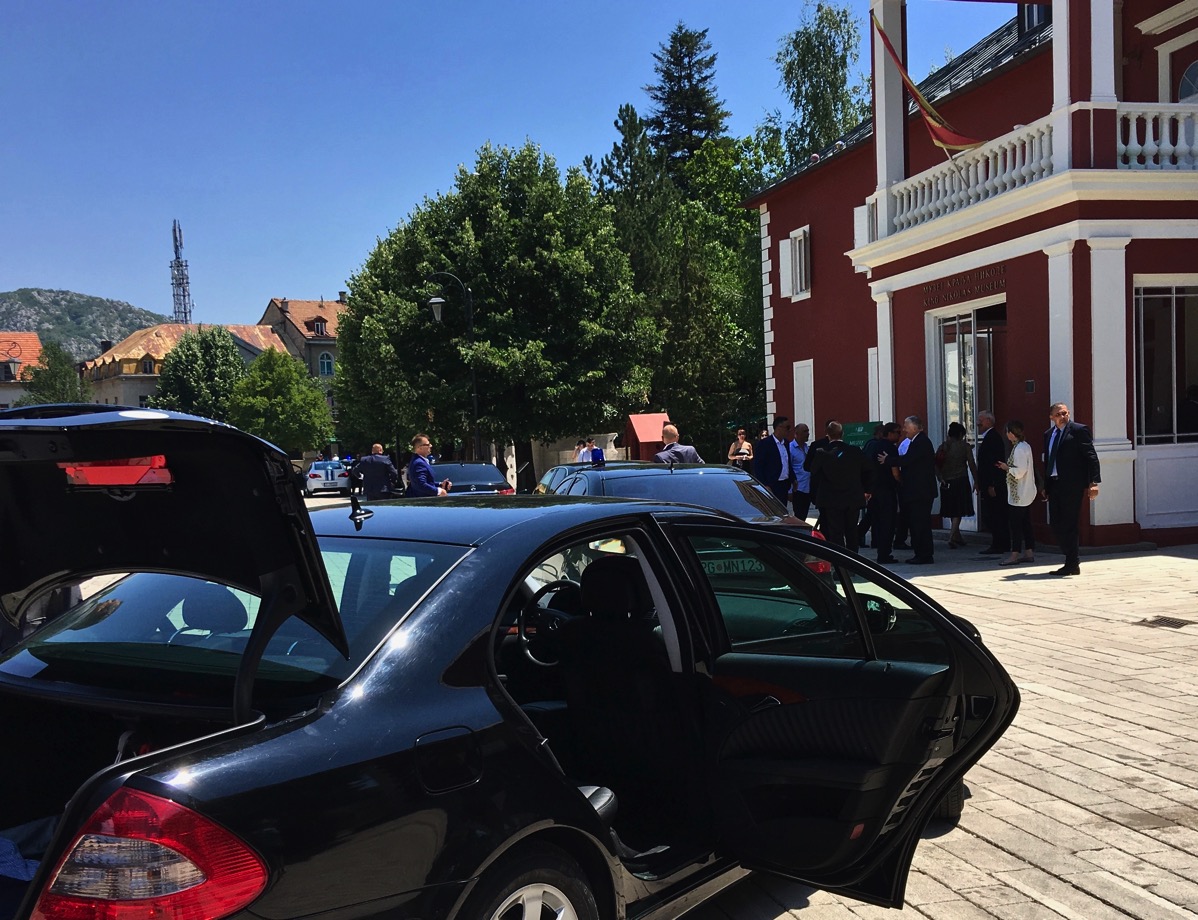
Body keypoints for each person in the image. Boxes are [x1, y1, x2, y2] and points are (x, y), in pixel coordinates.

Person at [1041, 402, 1101, 577]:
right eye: (1059, 414)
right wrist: (1045, 486)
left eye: (1065, 413)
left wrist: (1093, 482)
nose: (1063, 416)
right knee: (1055, 523)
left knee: (1070, 523)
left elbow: (1091, 456)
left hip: (1072, 485)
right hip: (1054, 484)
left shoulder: (1078, 430)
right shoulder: (1048, 434)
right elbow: (1049, 461)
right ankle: (1070, 556)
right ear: (1051, 417)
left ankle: (1072, 563)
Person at [807, 421, 873, 550]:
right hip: (852, 497)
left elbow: (813, 471)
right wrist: (867, 490)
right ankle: (854, 560)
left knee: (835, 532)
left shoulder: (822, 453)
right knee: (852, 530)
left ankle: (840, 561)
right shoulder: (855, 451)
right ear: (842, 434)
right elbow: (869, 470)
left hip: (831, 498)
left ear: (828, 435)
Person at [897, 415, 938, 564]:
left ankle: (924, 554)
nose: (904, 429)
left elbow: (908, 460)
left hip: (921, 492)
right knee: (918, 523)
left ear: (915, 427)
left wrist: (888, 460)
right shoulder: (917, 442)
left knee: (920, 524)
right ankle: (921, 553)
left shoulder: (921, 442)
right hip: (919, 491)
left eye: (906, 426)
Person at [995, 420, 1036, 566]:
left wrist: (1006, 468)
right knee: (1025, 523)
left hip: (1019, 492)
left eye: (1007, 432)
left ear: (1011, 433)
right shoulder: (1024, 446)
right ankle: (1029, 552)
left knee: (1016, 525)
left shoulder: (1019, 448)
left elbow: (1019, 472)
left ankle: (1014, 554)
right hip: (1025, 491)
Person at [936, 421, 979, 548]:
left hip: (946, 481)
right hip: (960, 479)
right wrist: (976, 480)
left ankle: (957, 536)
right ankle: (952, 536)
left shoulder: (943, 446)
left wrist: (940, 477)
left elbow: (936, 464)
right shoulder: (964, 447)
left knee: (951, 509)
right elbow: (971, 464)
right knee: (958, 510)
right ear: (961, 434)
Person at [975, 410, 1011, 555]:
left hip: (994, 485)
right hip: (988, 483)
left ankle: (1000, 544)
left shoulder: (993, 438)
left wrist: (992, 484)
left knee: (996, 515)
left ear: (989, 421)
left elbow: (995, 463)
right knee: (993, 514)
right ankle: (999, 543)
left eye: (980, 420)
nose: (978, 423)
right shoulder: (988, 437)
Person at [867, 422, 902, 563]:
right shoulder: (890, 448)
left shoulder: (873, 446)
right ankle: (884, 554)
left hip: (874, 490)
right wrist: (900, 482)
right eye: (898, 433)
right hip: (887, 490)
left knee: (878, 522)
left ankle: (879, 549)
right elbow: (895, 472)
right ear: (890, 433)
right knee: (888, 523)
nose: (900, 436)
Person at [754, 416, 793, 505]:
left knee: (783, 511)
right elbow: (758, 466)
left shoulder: (786, 443)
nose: (789, 430)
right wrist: (765, 485)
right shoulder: (765, 444)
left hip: (784, 484)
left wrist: (793, 479)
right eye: (787, 427)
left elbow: (787, 462)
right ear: (779, 428)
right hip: (771, 485)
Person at [787, 423, 813, 520]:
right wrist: (789, 491)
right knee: (799, 516)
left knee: (804, 515)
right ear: (797, 433)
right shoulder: (790, 448)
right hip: (797, 488)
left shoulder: (807, 448)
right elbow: (788, 469)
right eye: (805, 431)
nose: (808, 434)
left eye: (808, 431)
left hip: (808, 487)